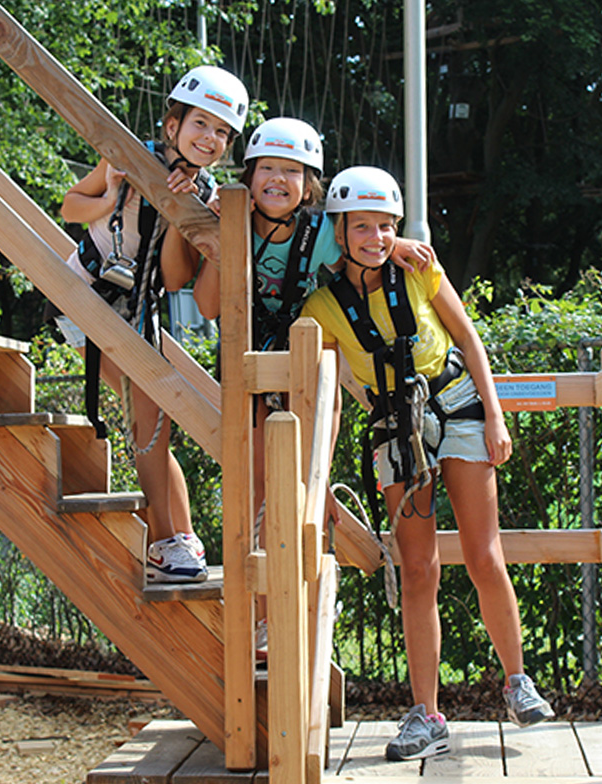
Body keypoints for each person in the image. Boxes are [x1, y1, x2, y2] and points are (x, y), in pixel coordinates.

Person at [300, 166, 554, 761]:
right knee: (418, 569)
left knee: (482, 550)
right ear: (339, 229)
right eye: (362, 226)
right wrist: (318, 472)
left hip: (457, 406)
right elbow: (330, 391)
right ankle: (426, 713)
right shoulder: (321, 306)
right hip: (394, 427)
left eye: (387, 225)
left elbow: (468, 336)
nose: (376, 237)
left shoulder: (418, 268)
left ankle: (518, 682)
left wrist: (495, 414)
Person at [163, 120, 432, 650]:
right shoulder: (233, 220)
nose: (279, 181)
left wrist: (394, 239)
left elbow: (365, 235)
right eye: (268, 168)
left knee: (306, 489)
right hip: (252, 370)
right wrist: (221, 241)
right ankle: (265, 621)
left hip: (310, 374)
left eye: (292, 171)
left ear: (310, 182)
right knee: (261, 495)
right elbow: (210, 306)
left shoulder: (325, 231)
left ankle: (306, 605)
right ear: (250, 173)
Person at [55, 65, 249, 585]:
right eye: (201, 124)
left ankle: (177, 537)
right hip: (90, 292)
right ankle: (168, 541)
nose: (210, 138)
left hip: (141, 304)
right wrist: (116, 194)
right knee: (149, 420)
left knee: (155, 421)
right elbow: (71, 205)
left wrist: (180, 209)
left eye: (221, 132)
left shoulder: (205, 194)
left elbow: (174, 275)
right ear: (172, 126)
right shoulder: (127, 156)